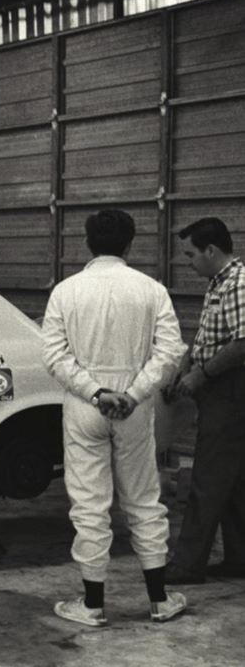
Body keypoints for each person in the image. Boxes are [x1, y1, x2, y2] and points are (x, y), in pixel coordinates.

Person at [41, 209, 187, 626]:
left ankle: (92, 605)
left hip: (85, 404)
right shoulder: (151, 289)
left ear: (88, 243)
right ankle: (159, 600)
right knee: (143, 497)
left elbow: (53, 355)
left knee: (89, 503)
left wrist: (94, 391)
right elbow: (170, 352)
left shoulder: (66, 292)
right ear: (129, 243)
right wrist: (134, 393)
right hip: (134, 407)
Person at [163, 217, 245, 584]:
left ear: (211, 250)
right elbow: (209, 337)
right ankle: (240, 558)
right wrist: (185, 364)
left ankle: (187, 565)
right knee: (233, 480)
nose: (187, 262)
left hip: (231, 389)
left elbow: (243, 344)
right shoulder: (219, 282)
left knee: (208, 478)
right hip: (221, 386)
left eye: (191, 254)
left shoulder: (239, 284)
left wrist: (202, 374)